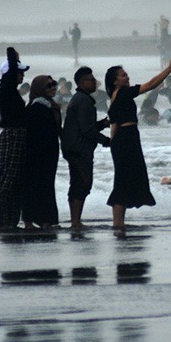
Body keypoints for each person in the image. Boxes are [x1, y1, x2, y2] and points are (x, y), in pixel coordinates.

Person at [105, 54, 171, 230]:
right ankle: (117, 223)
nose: (127, 77)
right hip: (126, 139)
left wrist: (112, 143)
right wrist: (170, 68)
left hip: (126, 138)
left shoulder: (117, 96)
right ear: (115, 81)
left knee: (126, 179)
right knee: (122, 181)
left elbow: (114, 124)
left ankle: (119, 222)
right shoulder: (122, 93)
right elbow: (151, 84)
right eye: (123, 75)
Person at [62, 67, 111, 229]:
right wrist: (106, 141)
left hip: (74, 147)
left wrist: (102, 124)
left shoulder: (80, 98)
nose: (94, 82)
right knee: (82, 184)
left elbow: (85, 127)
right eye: (91, 80)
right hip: (79, 149)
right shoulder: (83, 101)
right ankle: (75, 221)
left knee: (78, 183)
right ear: (81, 83)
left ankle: (75, 220)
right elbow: (86, 130)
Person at [0, 47, 30, 232]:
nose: (22, 76)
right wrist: (13, 56)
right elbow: (10, 58)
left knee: (16, 181)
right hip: (12, 135)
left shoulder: (11, 91)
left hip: (17, 134)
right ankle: (1, 222)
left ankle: (10, 222)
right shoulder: (6, 89)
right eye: (19, 72)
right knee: (8, 180)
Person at [22, 75, 61, 230]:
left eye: (54, 84)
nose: (53, 87)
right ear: (39, 89)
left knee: (46, 185)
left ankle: (46, 220)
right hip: (37, 153)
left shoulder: (49, 106)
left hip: (49, 152)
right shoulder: (36, 107)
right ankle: (30, 221)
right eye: (48, 85)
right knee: (35, 185)